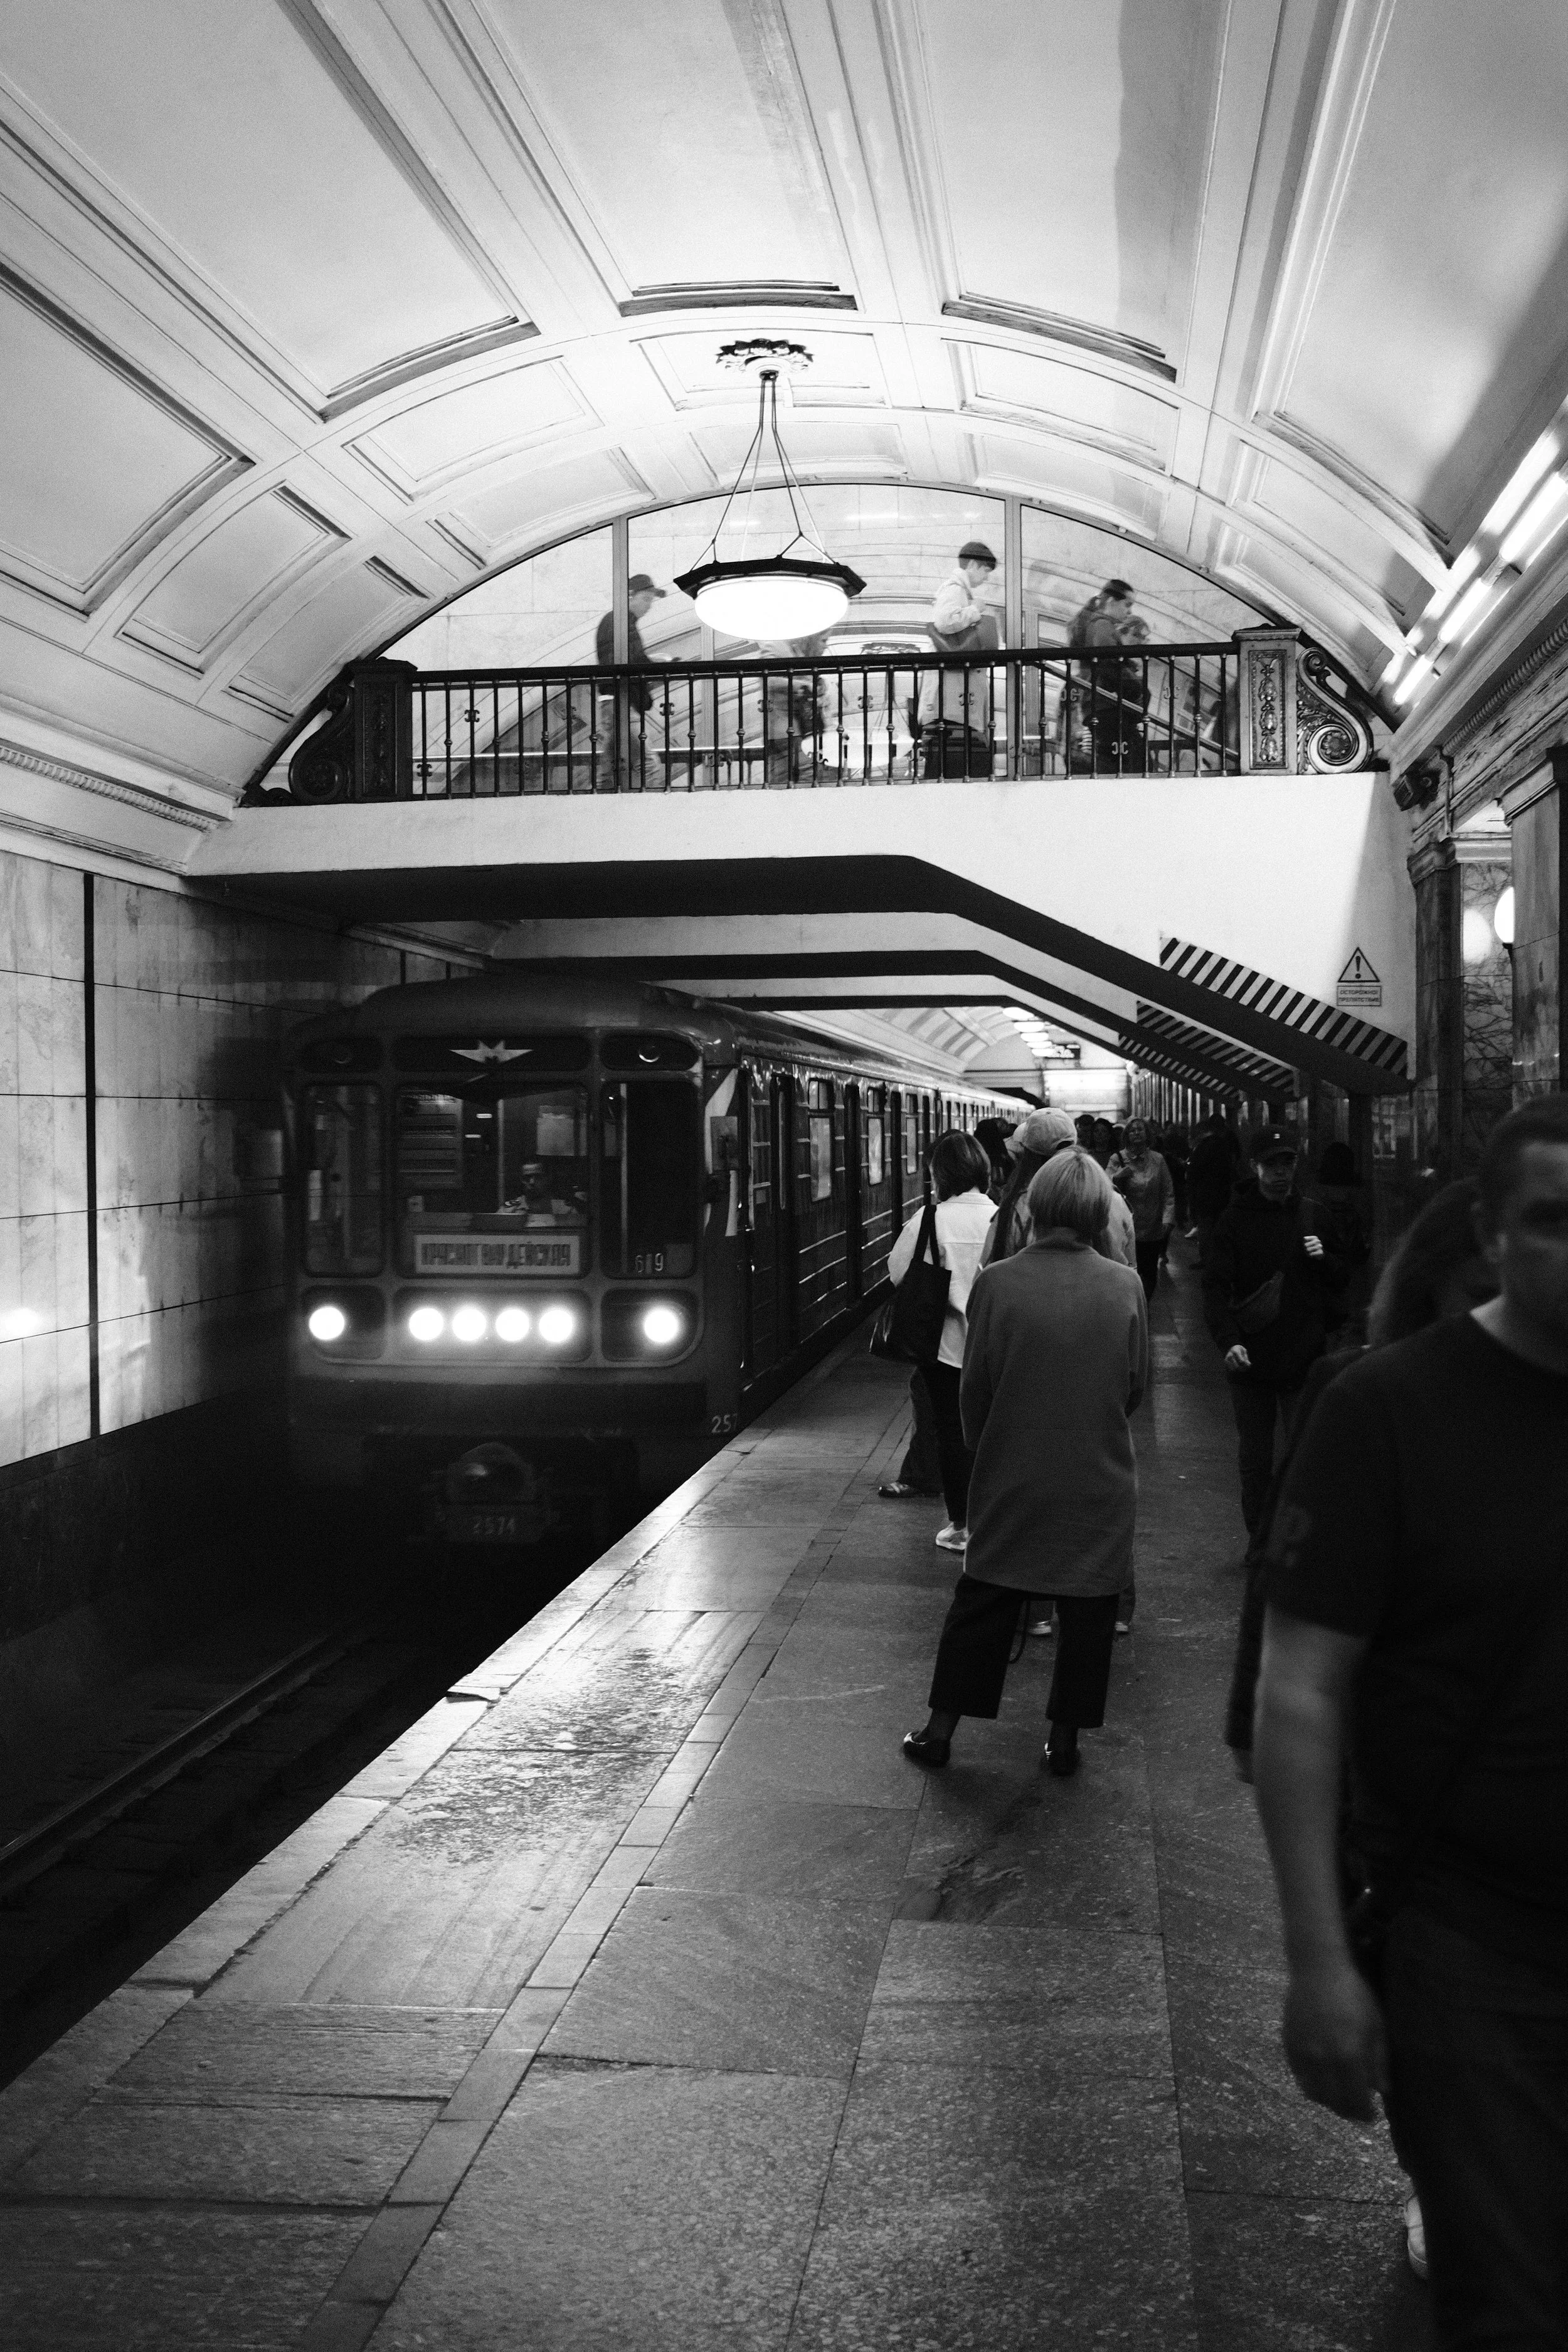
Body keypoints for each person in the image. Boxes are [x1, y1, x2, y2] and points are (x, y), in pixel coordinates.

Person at [1252, 1095, 1568, 2345]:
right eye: (1554, 1222)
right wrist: (1318, 1961)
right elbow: (1297, 1691)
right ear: (1487, 1235)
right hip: (1470, 1948)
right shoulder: (1384, 1413)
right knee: (1509, 2303)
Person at [902, 1149, 1147, 1777]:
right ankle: (1063, 1740)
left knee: (982, 1602)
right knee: (1088, 1613)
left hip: (1014, 1471)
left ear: (1034, 1207)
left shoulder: (998, 1282)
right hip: (1098, 1476)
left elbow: (974, 1390)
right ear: (1097, 1210)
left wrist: (992, 1448)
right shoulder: (1125, 1286)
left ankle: (939, 1731)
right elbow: (1134, 1385)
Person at [1203, 1125, 1347, 1534]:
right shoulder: (1235, 1221)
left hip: (1304, 1360)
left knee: (1304, 1459)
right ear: (1255, 1167)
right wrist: (1228, 1341)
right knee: (1256, 1459)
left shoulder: (1314, 1215)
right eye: (1273, 1164)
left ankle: (1297, 1542)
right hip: (1251, 1362)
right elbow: (1215, 1287)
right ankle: (1261, 1540)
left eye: (1289, 1163)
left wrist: (1325, 1260)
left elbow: (1342, 1279)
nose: (1282, 1172)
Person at [885, 1130, 996, 1551]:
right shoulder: (1001, 1216)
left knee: (952, 1435)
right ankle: (994, 1520)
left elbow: (898, 1273)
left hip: (946, 1350)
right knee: (992, 1434)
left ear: (941, 1173)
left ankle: (962, 1526)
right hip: (995, 1347)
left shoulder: (930, 1219)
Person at [987, 1108, 1135, 1270]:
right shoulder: (1114, 1199)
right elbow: (1130, 1264)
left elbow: (993, 1275)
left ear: (1029, 1156)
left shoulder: (1017, 1208)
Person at [919, 541, 1000, 777]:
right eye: (985, 570)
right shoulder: (954, 588)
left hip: (954, 703)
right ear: (973, 565)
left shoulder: (959, 591)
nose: (986, 578)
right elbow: (945, 622)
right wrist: (975, 609)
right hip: (952, 705)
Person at [593, 574, 665, 784]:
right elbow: (626, 661)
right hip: (621, 702)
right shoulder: (619, 621)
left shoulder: (619, 622)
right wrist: (655, 669)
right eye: (646, 599)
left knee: (610, 766)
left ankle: (597, 806)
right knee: (649, 763)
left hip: (615, 701)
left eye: (651, 601)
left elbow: (627, 659)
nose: (649, 606)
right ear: (629, 597)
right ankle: (655, 811)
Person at [1108, 1118, 1176, 1300]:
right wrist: (1117, 1177)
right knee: (1128, 1270)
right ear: (1127, 1136)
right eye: (1132, 1130)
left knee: (1149, 1271)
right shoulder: (1118, 1159)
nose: (1137, 1133)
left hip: (1152, 1227)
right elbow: (1104, 1187)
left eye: (1141, 1130)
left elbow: (1168, 1192)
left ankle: (1145, 1305)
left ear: (1147, 1134)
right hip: (1126, 1226)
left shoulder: (1158, 1160)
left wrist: (1167, 1219)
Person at [1313, 1141, 1373, 1333]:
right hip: (1354, 1277)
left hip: (1324, 1276)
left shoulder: (1314, 1195)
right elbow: (1367, 1235)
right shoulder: (1360, 1196)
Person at [1187, 1110, 1242, 1261]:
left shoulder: (1203, 1147)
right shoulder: (1226, 1143)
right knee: (1220, 1229)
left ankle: (1207, 1262)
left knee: (1205, 1230)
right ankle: (1218, 1260)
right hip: (1223, 1194)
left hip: (1205, 1196)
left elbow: (1194, 1173)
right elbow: (1233, 1162)